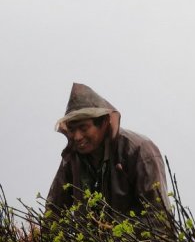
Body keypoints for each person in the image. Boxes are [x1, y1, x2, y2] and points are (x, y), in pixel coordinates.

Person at [46, 83, 172, 216]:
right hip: (92, 237)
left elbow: (159, 218)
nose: (77, 137)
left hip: (137, 237)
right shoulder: (73, 157)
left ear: (104, 122)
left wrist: (114, 233)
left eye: (83, 128)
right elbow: (54, 211)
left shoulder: (139, 151)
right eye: (72, 129)